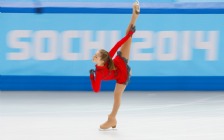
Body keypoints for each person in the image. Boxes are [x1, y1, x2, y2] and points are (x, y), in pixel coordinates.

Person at [89, 1, 140, 130]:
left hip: (122, 71)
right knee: (128, 38)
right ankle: (134, 17)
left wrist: (92, 76)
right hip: (120, 63)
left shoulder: (102, 67)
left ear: (101, 60)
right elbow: (96, 89)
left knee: (117, 96)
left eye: (96, 56)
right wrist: (129, 34)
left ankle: (112, 118)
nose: (93, 57)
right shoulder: (104, 63)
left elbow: (95, 89)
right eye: (95, 55)